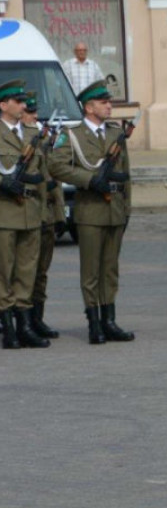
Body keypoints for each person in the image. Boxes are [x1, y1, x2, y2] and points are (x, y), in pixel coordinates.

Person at [49, 80, 134, 344]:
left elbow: (126, 175)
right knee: (91, 271)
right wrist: (88, 179)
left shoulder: (114, 134)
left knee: (110, 269)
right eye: (103, 102)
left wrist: (127, 208)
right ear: (88, 107)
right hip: (90, 211)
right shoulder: (72, 135)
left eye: (109, 101)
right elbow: (57, 166)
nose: (109, 106)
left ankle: (110, 320)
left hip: (115, 210)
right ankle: (94, 323)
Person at [0, 79, 48, 349]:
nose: (22, 106)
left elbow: (41, 177)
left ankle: (25, 325)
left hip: (30, 211)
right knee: (3, 272)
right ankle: (8, 329)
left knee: (26, 271)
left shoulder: (31, 134)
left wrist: (42, 212)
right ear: (3, 105)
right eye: (16, 102)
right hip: (5, 213)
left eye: (23, 102)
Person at [23, 91, 62, 341]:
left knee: (42, 270)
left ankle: (37, 318)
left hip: (46, 211)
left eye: (35, 112)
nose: (35, 116)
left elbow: (54, 177)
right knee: (23, 270)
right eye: (30, 112)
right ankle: (21, 320)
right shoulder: (19, 139)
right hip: (26, 212)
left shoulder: (42, 138)